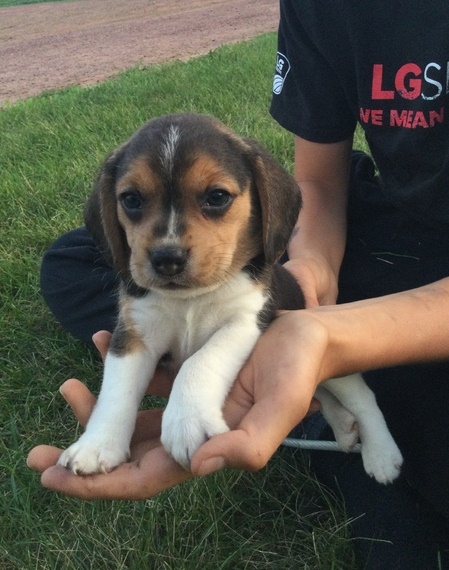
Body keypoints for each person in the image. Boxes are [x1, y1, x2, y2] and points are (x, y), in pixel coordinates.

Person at [28, 0, 449, 567]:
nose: (169, 245)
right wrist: (314, 268)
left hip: (413, 267)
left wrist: (326, 335)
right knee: (69, 263)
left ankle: (330, 416)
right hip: (376, 223)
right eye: (133, 203)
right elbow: (317, 184)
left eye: (215, 199)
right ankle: (287, 393)